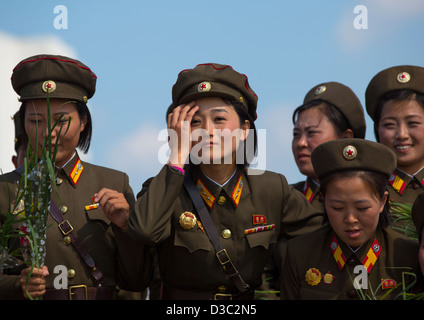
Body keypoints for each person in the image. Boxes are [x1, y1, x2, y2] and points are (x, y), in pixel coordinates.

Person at [125, 63, 325, 300]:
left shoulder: (272, 189)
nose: (207, 130)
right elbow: (145, 232)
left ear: (244, 130)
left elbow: (324, 235)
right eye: (195, 122)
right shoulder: (164, 188)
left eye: (219, 119)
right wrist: (177, 155)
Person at [0, 54, 152, 300]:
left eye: (61, 121)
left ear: (83, 122)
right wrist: (16, 285)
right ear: (23, 125)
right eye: (35, 121)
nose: (48, 132)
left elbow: (137, 280)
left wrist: (125, 227)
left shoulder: (115, 183)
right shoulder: (4, 189)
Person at [281, 138, 422, 300]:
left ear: (382, 201)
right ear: (323, 200)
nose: (350, 219)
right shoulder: (300, 253)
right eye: (338, 208)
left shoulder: (408, 257)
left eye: (362, 208)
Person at [291, 82, 366, 210]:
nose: (300, 143)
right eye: (296, 134)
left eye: (312, 133)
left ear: (346, 138)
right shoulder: (286, 200)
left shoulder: (372, 196)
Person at [365, 65, 424, 208]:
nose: (402, 134)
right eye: (390, 125)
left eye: (413, 123)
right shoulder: (368, 191)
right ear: (377, 129)